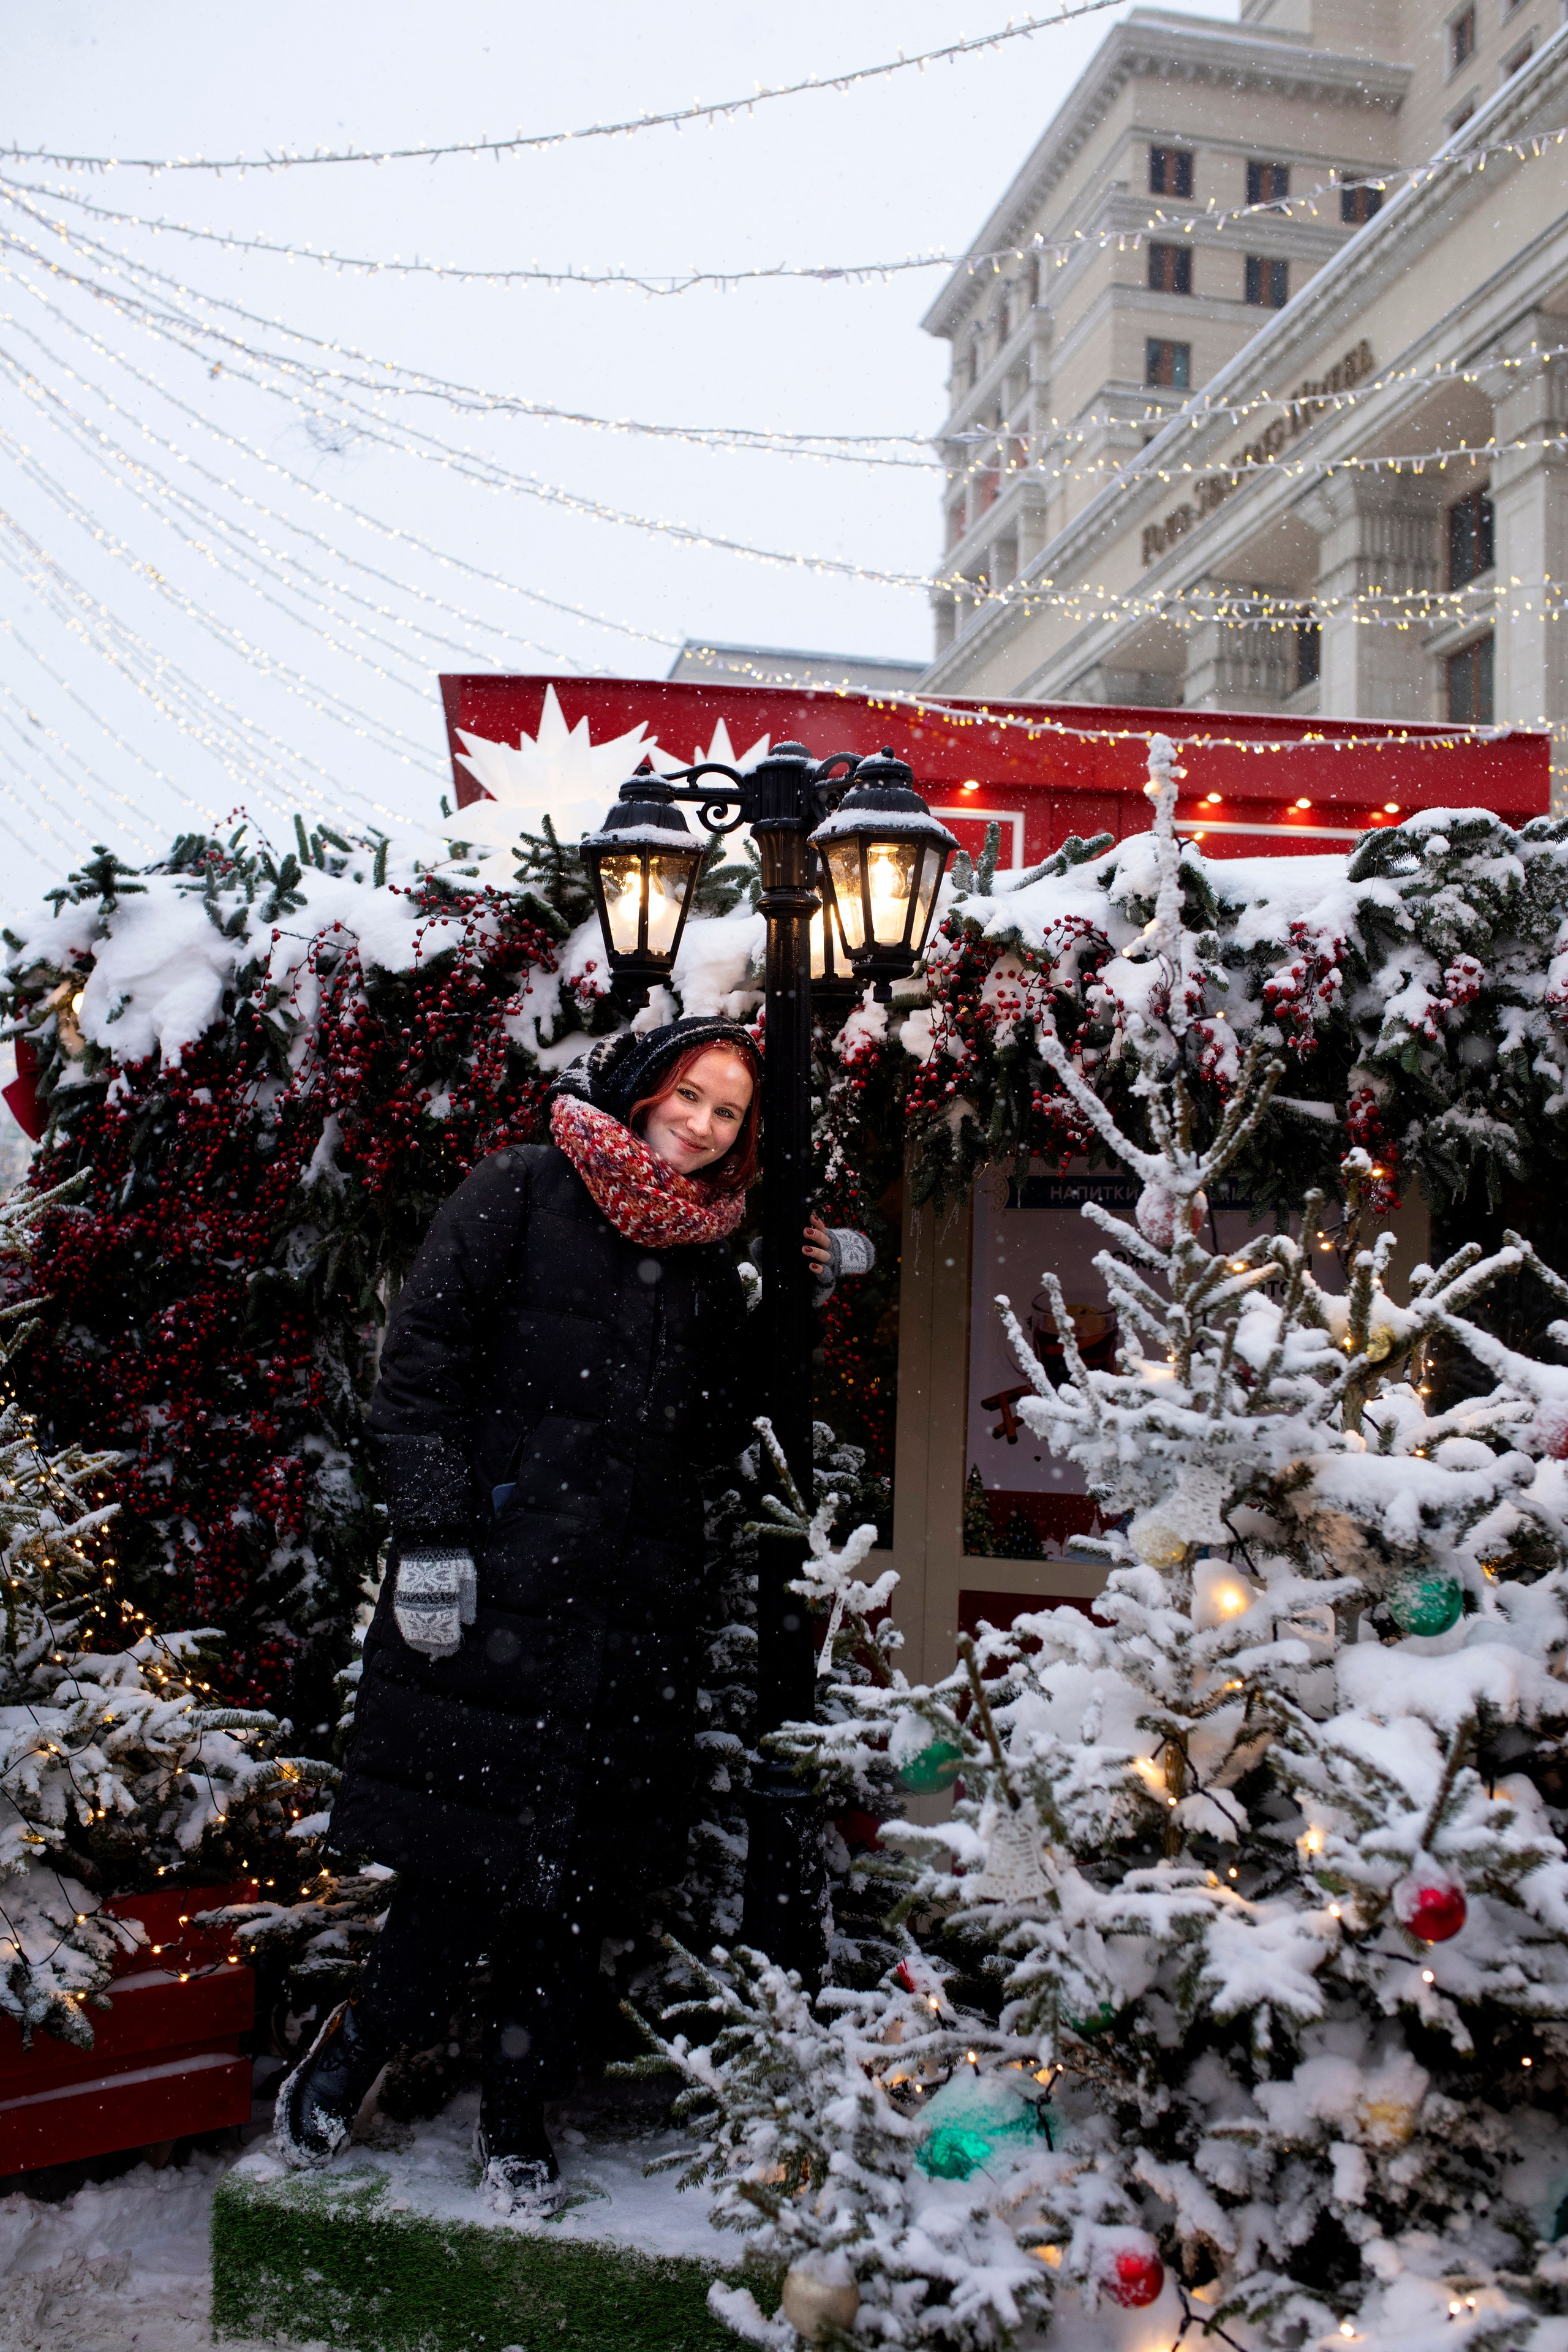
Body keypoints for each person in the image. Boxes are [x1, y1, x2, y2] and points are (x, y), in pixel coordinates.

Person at [274, 1016, 872, 2215]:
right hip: (498, 1580)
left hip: (630, 1606)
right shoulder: (523, 1188)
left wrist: (805, 1294)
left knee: (569, 1881)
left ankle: (516, 2111)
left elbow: (723, 1420)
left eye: (727, 1114)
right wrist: (436, 1538)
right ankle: (362, 2040)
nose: (703, 1126)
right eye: (689, 1096)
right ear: (642, 1090)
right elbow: (423, 1364)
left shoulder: (703, 1252)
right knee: (459, 1857)